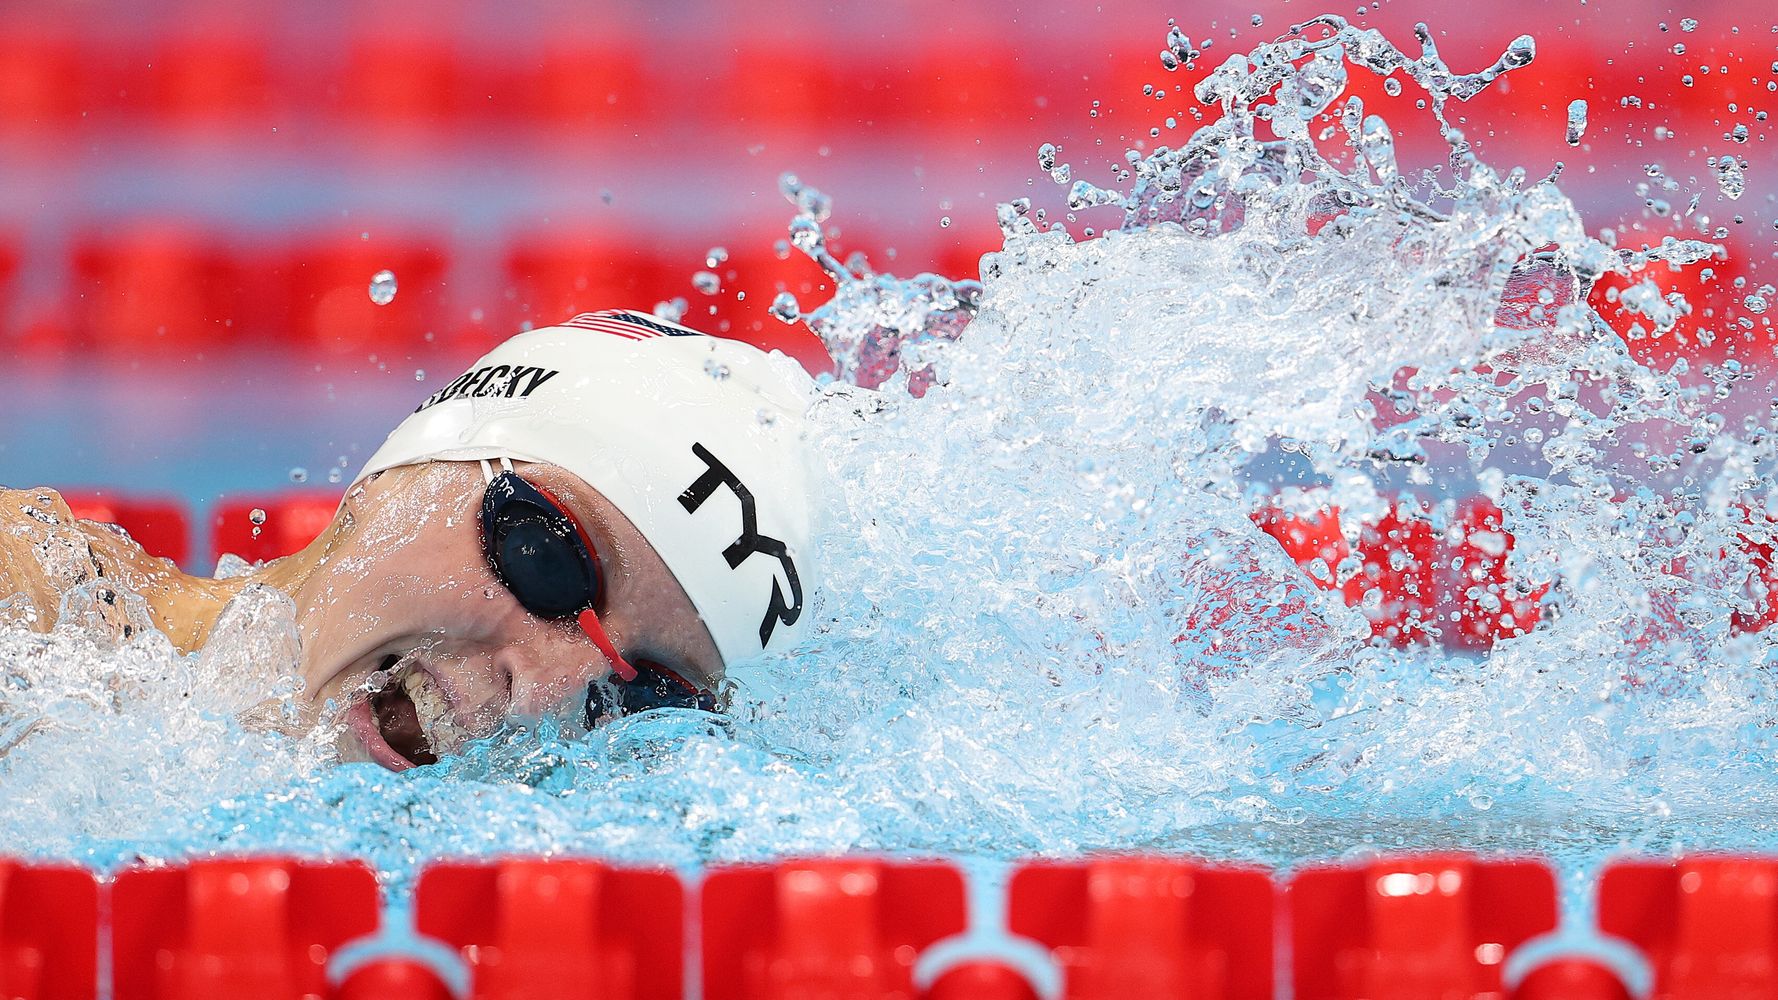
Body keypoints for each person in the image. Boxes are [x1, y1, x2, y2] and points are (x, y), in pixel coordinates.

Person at [0, 309, 818, 770]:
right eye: (549, 561)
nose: (547, 696)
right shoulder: (25, 610)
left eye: (641, 701)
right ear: (412, 462)